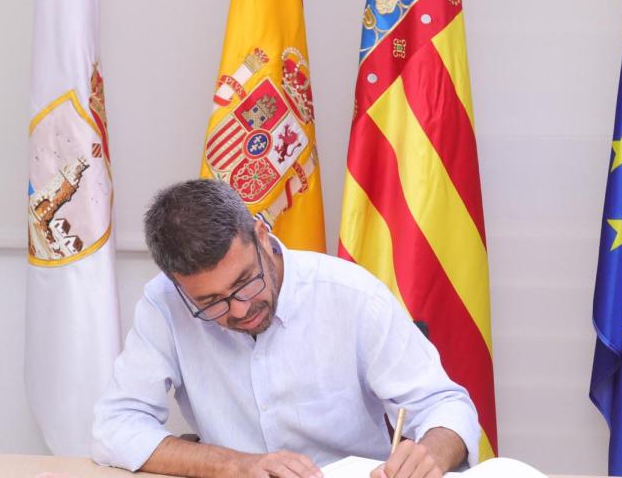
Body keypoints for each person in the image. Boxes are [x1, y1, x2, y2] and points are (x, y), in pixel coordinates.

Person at [92, 179, 479, 478]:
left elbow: (444, 404)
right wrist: (234, 465)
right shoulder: (164, 304)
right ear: (178, 284)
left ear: (261, 235)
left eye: (246, 282)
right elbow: (116, 426)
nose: (241, 309)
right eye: (211, 303)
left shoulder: (352, 295)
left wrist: (430, 453)